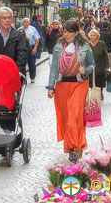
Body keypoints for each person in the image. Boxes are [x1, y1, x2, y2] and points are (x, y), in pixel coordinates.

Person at [46, 20, 95, 159]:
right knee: (67, 118)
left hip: (79, 84)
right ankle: (72, 147)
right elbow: (54, 68)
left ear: (76, 32)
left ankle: (76, 148)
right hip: (62, 86)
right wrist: (51, 86)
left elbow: (92, 65)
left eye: (69, 32)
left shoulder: (85, 46)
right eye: (65, 31)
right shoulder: (58, 47)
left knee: (75, 116)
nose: (66, 34)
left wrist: (85, 70)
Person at [0, 7, 28, 132]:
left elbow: (22, 53)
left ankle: (8, 130)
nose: (7, 20)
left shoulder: (17, 35)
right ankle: (5, 130)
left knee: (11, 101)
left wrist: (18, 69)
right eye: (4, 18)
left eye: (9, 18)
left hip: (12, 75)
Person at [18, 17, 41, 83]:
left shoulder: (33, 29)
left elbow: (37, 39)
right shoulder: (19, 29)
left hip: (31, 47)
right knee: (22, 64)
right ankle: (23, 78)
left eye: (27, 22)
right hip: (22, 48)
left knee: (32, 63)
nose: (26, 23)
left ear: (29, 22)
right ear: (22, 23)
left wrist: (35, 48)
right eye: (24, 22)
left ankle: (32, 77)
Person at [88, 29, 108, 100]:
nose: (92, 37)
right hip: (91, 65)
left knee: (100, 80)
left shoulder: (102, 43)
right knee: (91, 80)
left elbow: (105, 54)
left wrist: (107, 65)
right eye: (91, 35)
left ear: (97, 36)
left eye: (94, 35)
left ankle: (100, 93)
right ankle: (92, 93)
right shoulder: (88, 44)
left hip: (100, 64)